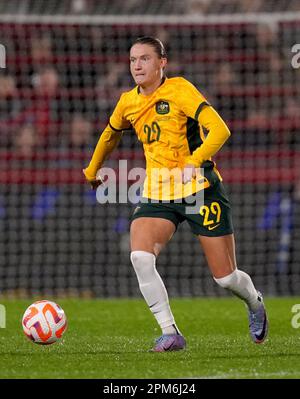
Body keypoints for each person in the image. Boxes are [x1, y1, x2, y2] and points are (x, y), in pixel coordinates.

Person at [83, 36, 268, 352]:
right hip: (158, 193)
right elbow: (109, 135)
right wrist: (92, 168)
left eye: (144, 59)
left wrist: (194, 162)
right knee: (140, 257)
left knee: (225, 278)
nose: (137, 65)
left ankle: (254, 300)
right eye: (132, 60)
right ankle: (170, 332)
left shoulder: (181, 89)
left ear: (161, 63)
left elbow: (220, 129)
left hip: (201, 189)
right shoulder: (128, 101)